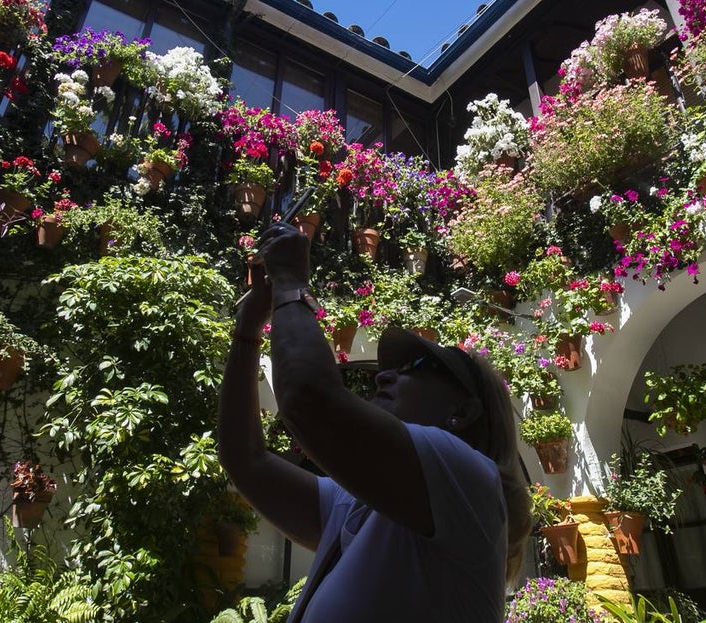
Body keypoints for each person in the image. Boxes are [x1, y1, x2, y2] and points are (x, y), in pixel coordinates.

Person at [219, 222, 531, 623]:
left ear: (465, 411)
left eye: (413, 368)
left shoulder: (466, 478)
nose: (383, 376)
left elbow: (310, 402)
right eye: (389, 368)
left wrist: (292, 284)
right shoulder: (356, 505)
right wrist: (246, 332)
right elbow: (247, 460)